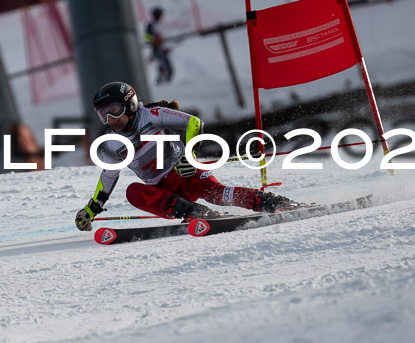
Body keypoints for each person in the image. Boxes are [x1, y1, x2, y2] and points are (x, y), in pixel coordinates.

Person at [75, 81, 299, 231]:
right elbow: (108, 176)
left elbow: (193, 122)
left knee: (218, 193)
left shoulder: (152, 115)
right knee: (133, 191)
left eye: (114, 110)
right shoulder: (112, 143)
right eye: (103, 114)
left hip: (186, 173)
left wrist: (190, 155)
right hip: (163, 193)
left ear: (130, 104)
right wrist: (92, 208)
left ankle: (274, 202)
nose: (110, 119)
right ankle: (194, 212)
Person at [145, 7, 173, 84]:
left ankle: (161, 82)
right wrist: (153, 40)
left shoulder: (158, 25)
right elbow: (146, 36)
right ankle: (163, 83)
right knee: (167, 68)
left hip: (161, 49)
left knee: (164, 67)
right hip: (156, 49)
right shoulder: (151, 25)